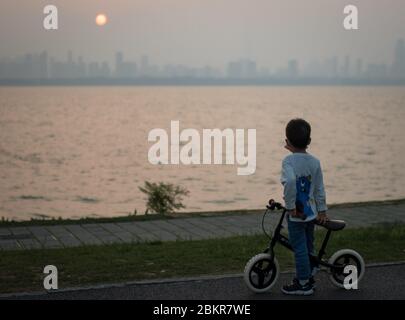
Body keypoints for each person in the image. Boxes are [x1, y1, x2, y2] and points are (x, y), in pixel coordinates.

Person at [280, 118, 328, 295]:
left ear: (287, 142)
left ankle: (303, 283)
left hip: (296, 215)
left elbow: (291, 181)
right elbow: (319, 188)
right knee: (308, 245)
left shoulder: (288, 161)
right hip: (311, 214)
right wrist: (322, 210)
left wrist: (291, 206)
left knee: (299, 248)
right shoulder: (315, 162)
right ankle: (310, 274)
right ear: (309, 141)